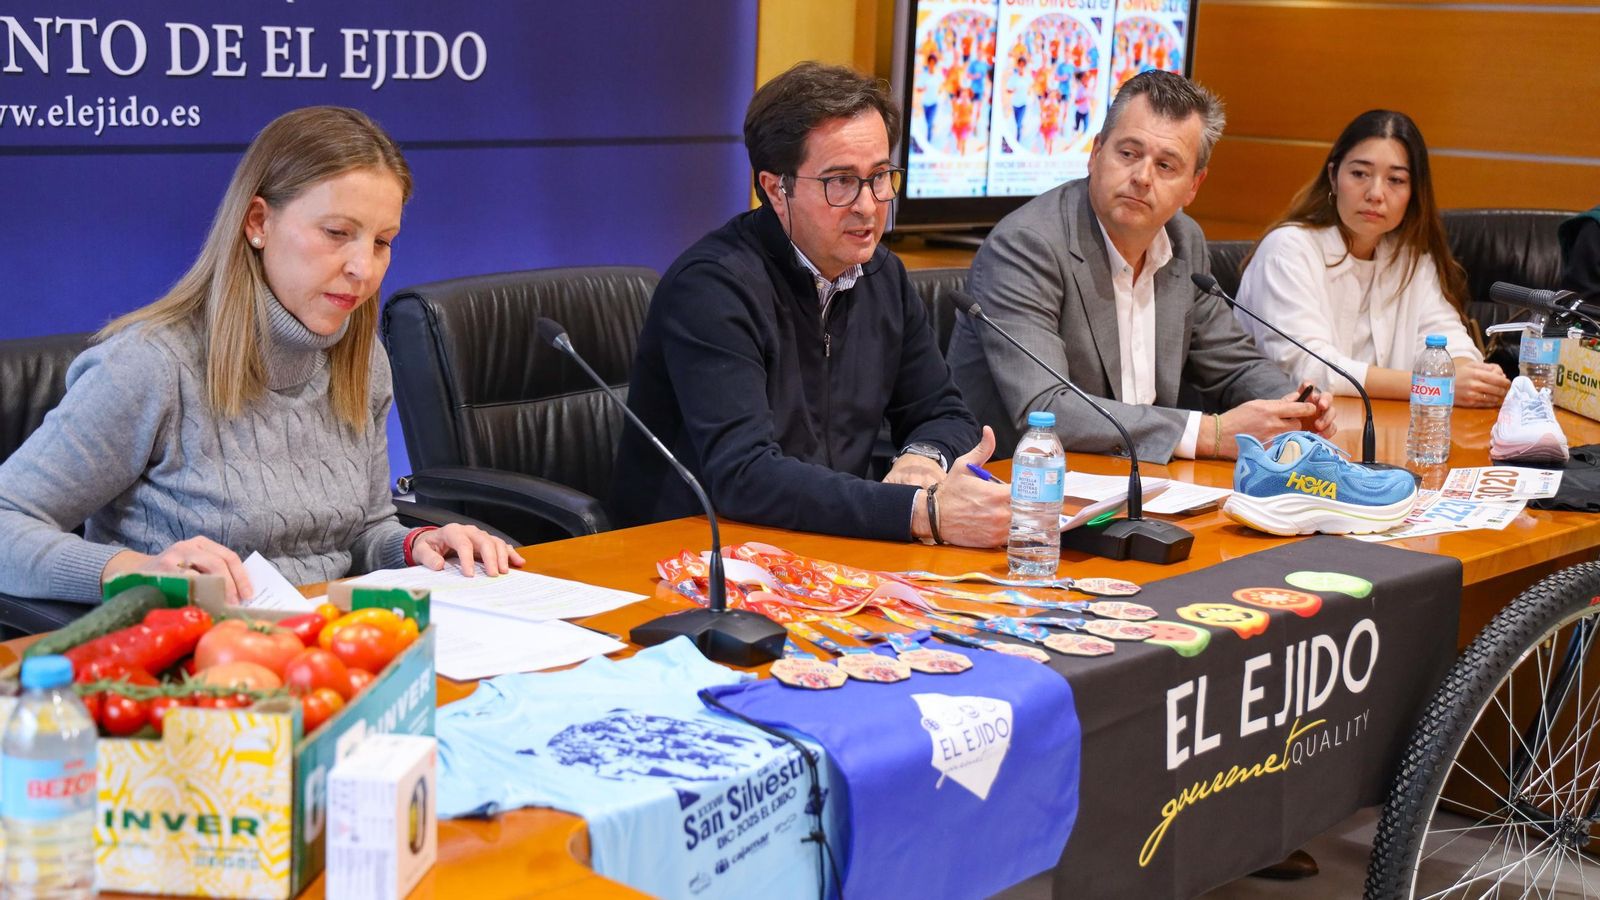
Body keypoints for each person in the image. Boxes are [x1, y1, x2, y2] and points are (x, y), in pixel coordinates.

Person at [0, 106, 521, 605]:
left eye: (383, 241)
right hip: (194, 661)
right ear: (257, 222)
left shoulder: (363, 361)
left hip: (327, 644)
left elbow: (362, 530)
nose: (364, 267)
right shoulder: (149, 365)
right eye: (337, 233)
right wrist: (128, 570)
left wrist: (414, 546)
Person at [611, 62, 1008, 547]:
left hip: (826, 545)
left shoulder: (883, 275)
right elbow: (745, 475)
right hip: (695, 557)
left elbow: (944, 413)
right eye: (840, 181)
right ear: (777, 189)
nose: (868, 204)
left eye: (880, 176)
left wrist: (923, 458)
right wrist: (918, 512)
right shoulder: (713, 288)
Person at [945, 69, 1335, 463]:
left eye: (1166, 165)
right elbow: (1048, 409)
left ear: (1194, 186)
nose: (1142, 178)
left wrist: (1293, 408)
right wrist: (1210, 434)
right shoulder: (1028, 245)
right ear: (1096, 153)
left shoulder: (1184, 242)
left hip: (1144, 481)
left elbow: (1234, 364)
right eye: (1129, 153)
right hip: (1021, 489)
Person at [1235, 110, 1509, 407]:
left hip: (1383, 434)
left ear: (1413, 192)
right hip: (1281, 439)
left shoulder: (1410, 260)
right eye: (1360, 174)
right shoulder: (1287, 249)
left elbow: (1447, 342)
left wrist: (1472, 375)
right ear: (1333, 177)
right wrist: (1430, 385)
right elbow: (1310, 369)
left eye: (1395, 179)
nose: (1376, 193)